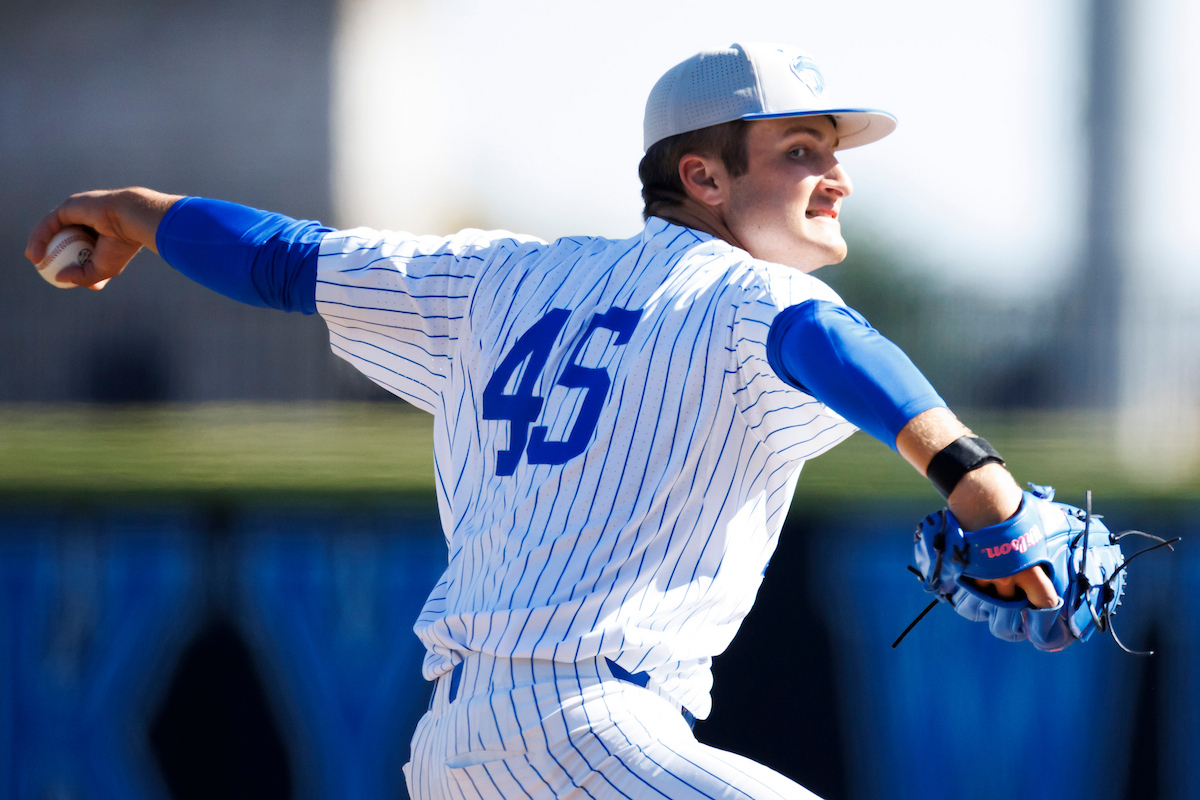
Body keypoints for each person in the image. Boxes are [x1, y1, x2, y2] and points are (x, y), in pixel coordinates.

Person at [27, 42, 1057, 800]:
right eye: (798, 150)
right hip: (592, 725)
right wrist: (985, 486)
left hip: (455, 745)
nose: (833, 175)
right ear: (702, 177)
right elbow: (839, 352)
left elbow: (284, 259)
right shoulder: (751, 297)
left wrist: (138, 214)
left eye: (832, 153)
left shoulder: (493, 277)